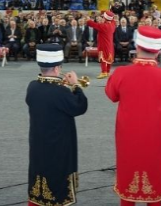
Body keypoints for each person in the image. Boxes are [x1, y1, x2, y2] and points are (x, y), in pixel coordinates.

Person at [105, 26, 161, 206]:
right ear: (158, 50)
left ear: (137, 46)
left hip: (128, 135)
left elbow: (111, 95)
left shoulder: (121, 73)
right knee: (154, 172)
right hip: (155, 135)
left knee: (128, 170)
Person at [26, 44, 88, 206]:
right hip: (58, 145)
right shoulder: (61, 92)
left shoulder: (32, 86)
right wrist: (75, 85)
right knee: (57, 178)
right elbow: (80, 107)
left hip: (38, 143)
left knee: (39, 172)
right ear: (56, 68)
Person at [87, 12, 117, 79]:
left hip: (103, 44)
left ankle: (104, 72)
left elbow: (92, 24)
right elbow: (112, 19)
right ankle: (108, 71)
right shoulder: (113, 24)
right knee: (109, 58)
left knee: (102, 58)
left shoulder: (103, 26)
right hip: (110, 44)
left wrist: (88, 19)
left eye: (103, 17)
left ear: (105, 18)